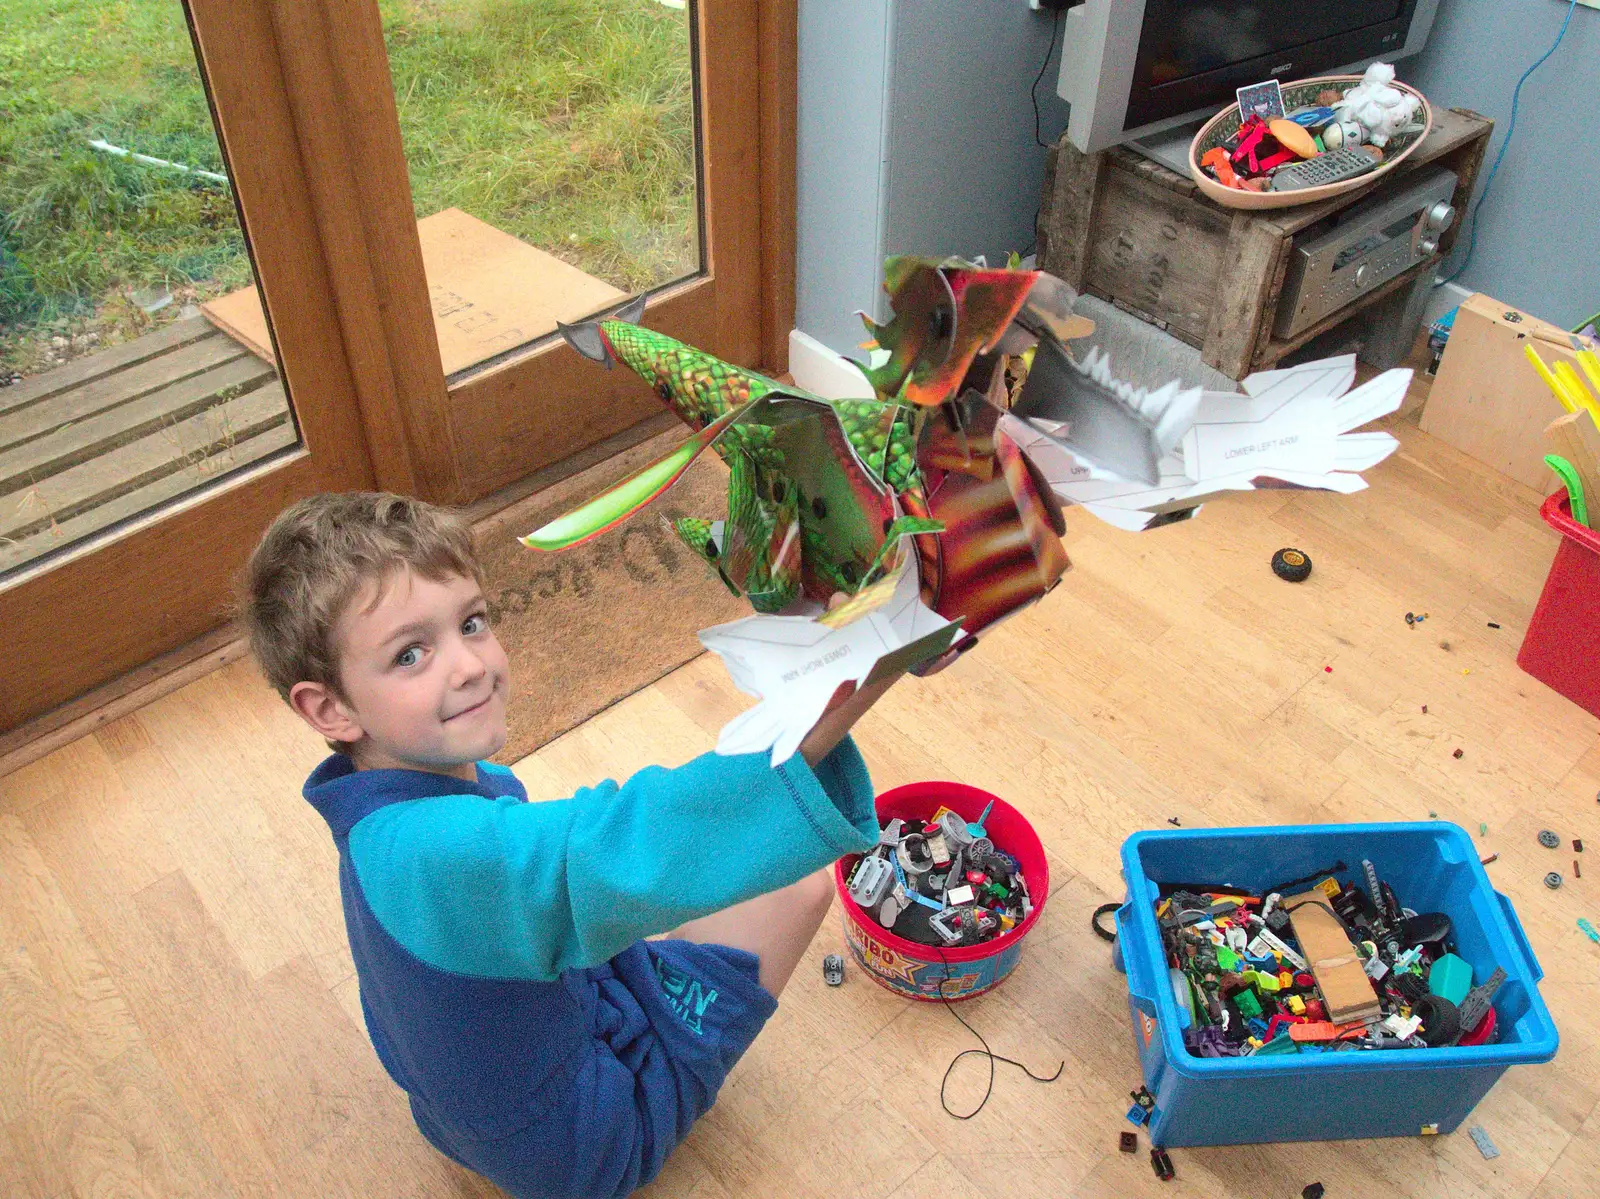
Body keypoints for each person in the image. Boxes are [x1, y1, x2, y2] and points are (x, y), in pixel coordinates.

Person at [241, 491, 900, 1199]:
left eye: (471, 622)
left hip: (489, 1094)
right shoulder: (436, 856)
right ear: (329, 707)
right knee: (797, 885)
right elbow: (614, 845)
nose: (467, 665)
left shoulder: (379, 801)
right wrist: (886, 646)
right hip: (583, 1145)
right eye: (410, 653)